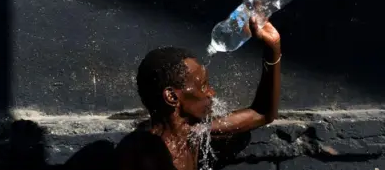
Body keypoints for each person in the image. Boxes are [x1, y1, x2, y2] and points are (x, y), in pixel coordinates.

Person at [114, 17, 281, 170]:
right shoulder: (143, 154)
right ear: (172, 97)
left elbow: (262, 113)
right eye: (203, 86)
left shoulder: (195, 132)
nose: (211, 92)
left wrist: (273, 47)